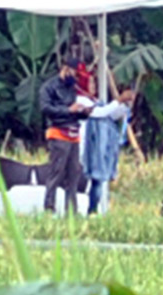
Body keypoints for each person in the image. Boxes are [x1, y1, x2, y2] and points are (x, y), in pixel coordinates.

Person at [36, 50, 89, 213]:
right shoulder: (49, 87)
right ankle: (49, 206)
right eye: (73, 72)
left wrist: (83, 113)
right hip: (58, 133)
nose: (75, 76)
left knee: (74, 173)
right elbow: (45, 108)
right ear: (65, 69)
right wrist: (68, 110)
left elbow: (74, 111)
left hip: (73, 134)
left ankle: (71, 209)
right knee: (56, 171)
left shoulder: (71, 87)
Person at [81, 71, 132, 213]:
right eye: (90, 82)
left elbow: (110, 115)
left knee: (97, 181)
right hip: (85, 145)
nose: (93, 86)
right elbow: (100, 113)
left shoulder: (96, 101)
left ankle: (92, 210)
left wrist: (124, 106)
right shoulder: (81, 101)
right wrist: (119, 100)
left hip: (97, 147)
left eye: (94, 83)